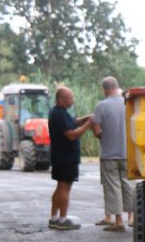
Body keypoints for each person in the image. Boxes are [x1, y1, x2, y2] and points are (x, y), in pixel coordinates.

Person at [91, 77, 134, 231]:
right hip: (127, 153)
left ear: (105, 90)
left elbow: (96, 131)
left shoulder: (101, 106)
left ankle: (118, 221)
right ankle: (133, 217)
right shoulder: (128, 104)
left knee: (112, 187)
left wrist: (103, 134)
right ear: (117, 87)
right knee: (128, 184)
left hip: (109, 154)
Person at [48, 87, 92, 230]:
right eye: (69, 98)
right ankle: (63, 219)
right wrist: (89, 125)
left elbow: (74, 122)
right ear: (60, 99)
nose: (72, 100)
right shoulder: (59, 114)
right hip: (65, 157)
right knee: (65, 187)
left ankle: (54, 217)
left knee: (60, 187)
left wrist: (87, 118)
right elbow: (72, 134)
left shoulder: (59, 113)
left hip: (60, 157)